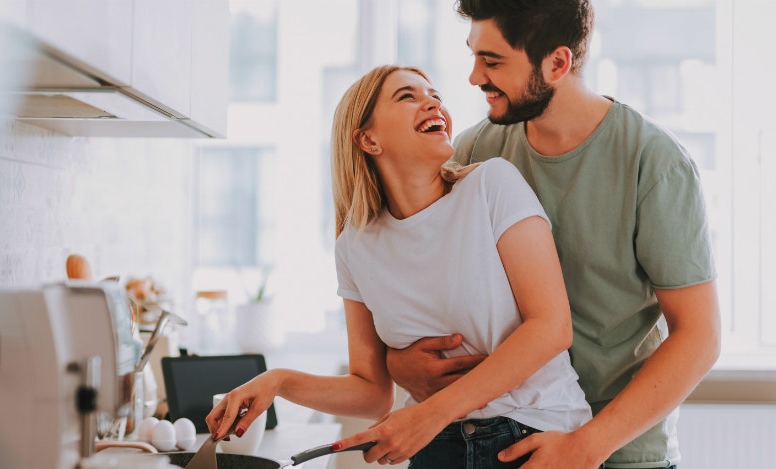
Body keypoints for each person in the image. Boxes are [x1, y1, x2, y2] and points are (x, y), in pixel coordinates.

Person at [378, 1, 722, 468]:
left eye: (493, 61)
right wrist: (397, 361)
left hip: (617, 451)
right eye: (475, 56)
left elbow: (698, 336)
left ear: (557, 63)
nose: (474, 77)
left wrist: (585, 446)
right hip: (506, 441)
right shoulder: (476, 150)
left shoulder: (654, 164)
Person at [207, 64, 592, 468]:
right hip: (435, 447)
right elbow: (371, 391)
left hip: (536, 436)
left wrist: (429, 413)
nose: (432, 103)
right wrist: (278, 381)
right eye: (407, 96)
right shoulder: (354, 248)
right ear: (368, 139)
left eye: (435, 96)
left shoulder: (492, 185)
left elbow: (551, 327)